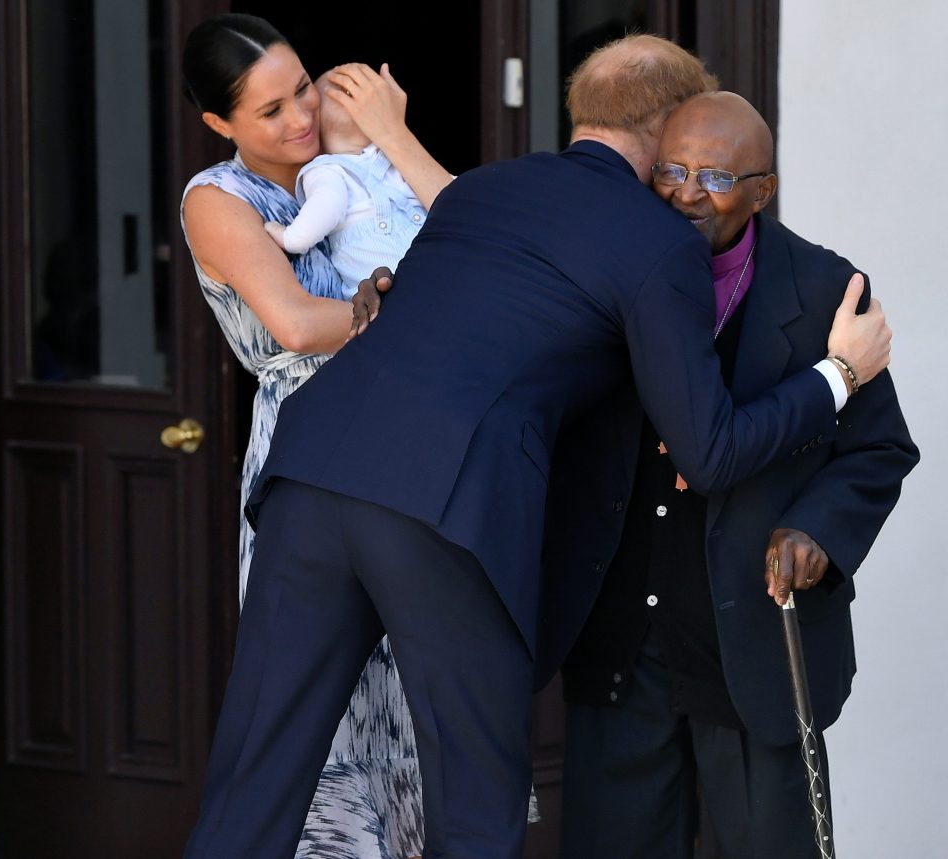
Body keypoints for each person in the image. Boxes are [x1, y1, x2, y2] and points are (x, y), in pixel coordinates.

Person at [183, 34, 893, 859]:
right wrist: (838, 374)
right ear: (668, 129)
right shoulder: (654, 243)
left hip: (308, 471)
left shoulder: (484, 188)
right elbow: (709, 449)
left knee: (254, 779)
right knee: (476, 802)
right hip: (445, 506)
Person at [557, 91, 919, 859]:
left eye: (716, 178)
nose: (687, 193)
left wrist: (819, 529)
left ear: (763, 190)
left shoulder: (826, 291)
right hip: (623, 640)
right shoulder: (610, 269)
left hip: (751, 643)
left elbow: (880, 448)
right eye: (672, 171)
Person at [180, 13, 451, 859]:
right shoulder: (220, 200)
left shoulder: (359, 166)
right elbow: (296, 325)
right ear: (220, 125)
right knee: (317, 708)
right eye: (270, 111)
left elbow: (483, 239)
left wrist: (395, 136)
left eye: (302, 88)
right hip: (308, 461)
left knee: (419, 692)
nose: (300, 117)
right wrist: (425, 313)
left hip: (407, 455)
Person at [264, 71, 445, 297]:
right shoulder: (397, 159)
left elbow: (326, 206)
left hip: (384, 275)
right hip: (436, 259)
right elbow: (452, 196)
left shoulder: (326, 169)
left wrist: (291, 238)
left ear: (315, 127)